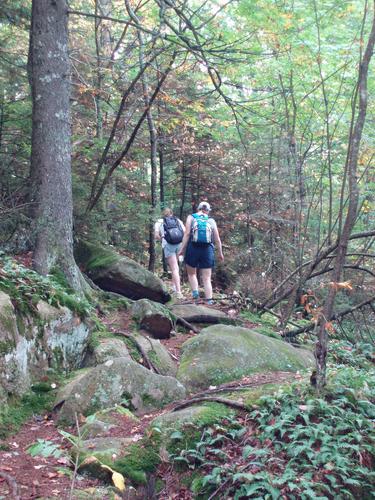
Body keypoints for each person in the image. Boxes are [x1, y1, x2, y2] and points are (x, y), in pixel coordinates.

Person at [178, 201, 224, 304]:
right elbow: (217, 239)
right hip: (207, 250)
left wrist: (182, 249)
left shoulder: (191, 217)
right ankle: (209, 301)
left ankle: (195, 295)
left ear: (198, 208)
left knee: (191, 273)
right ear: (208, 211)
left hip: (193, 248)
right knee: (207, 278)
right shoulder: (211, 220)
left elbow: (187, 234)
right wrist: (220, 253)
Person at [155, 208, 185, 299]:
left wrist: (162, 238)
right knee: (177, 267)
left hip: (168, 245)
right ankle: (174, 287)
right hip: (179, 244)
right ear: (171, 213)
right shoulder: (177, 220)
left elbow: (156, 236)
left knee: (174, 268)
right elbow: (184, 231)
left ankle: (178, 292)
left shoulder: (159, 222)